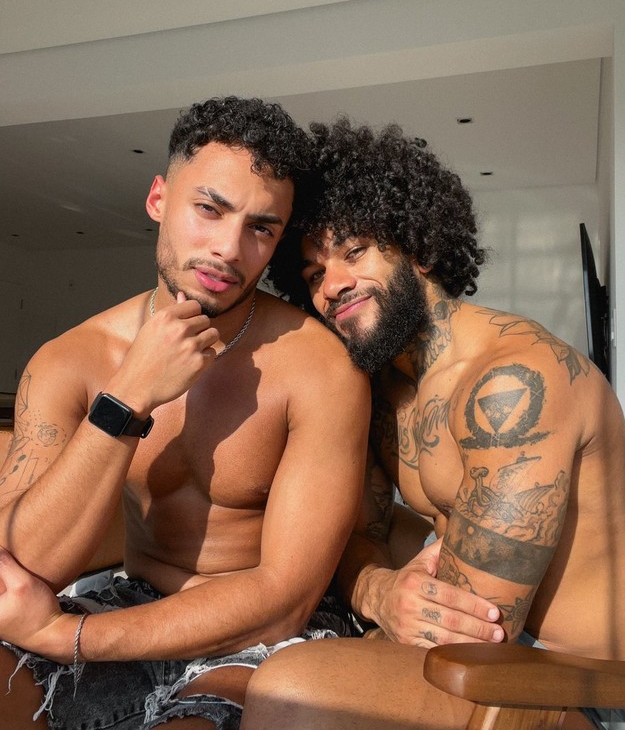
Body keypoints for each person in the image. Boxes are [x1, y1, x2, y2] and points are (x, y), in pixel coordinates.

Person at [0, 97, 375, 730]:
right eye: (209, 209)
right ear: (158, 199)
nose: (228, 249)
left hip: (262, 638)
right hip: (127, 599)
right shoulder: (71, 359)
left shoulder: (319, 368)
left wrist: (71, 637)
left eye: (261, 228)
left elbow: (284, 600)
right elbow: (26, 565)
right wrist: (128, 398)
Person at [241, 117, 625, 730]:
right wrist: (376, 589)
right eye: (313, 274)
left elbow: (470, 627)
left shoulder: (515, 382)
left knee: (288, 688)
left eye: (355, 252)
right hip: (485, 658)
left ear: (418, 247)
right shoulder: (377, 390)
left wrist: (371, 607)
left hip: (582, 685)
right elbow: (351, 538)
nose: (332, 286)